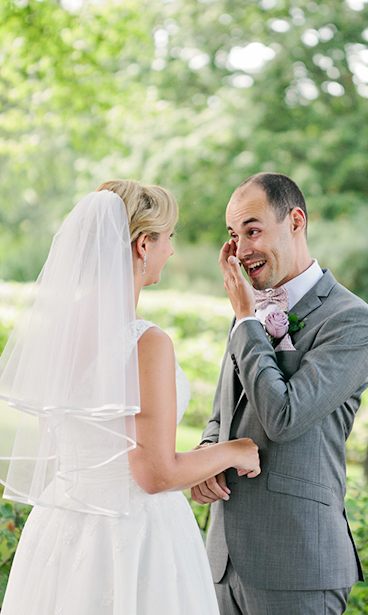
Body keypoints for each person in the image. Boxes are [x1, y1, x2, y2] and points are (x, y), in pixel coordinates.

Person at [0, 179, 260, 615]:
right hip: (131, 538)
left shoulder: (58, 334)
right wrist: (235, 450)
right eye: (168, 238)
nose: (171, 251)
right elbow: (155, 473)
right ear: (143, 244)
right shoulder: (145, 343)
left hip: (63, 528)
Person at [191, 172, 368, 615]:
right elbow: (226, 410)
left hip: (297, 565)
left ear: (295, 220)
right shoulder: (249, 312)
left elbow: (285, 417)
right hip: (221, 562)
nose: (241, 250)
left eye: (253, 230)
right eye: (234, 236)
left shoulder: (351, 320)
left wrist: (245, 319)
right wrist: (207, 453)